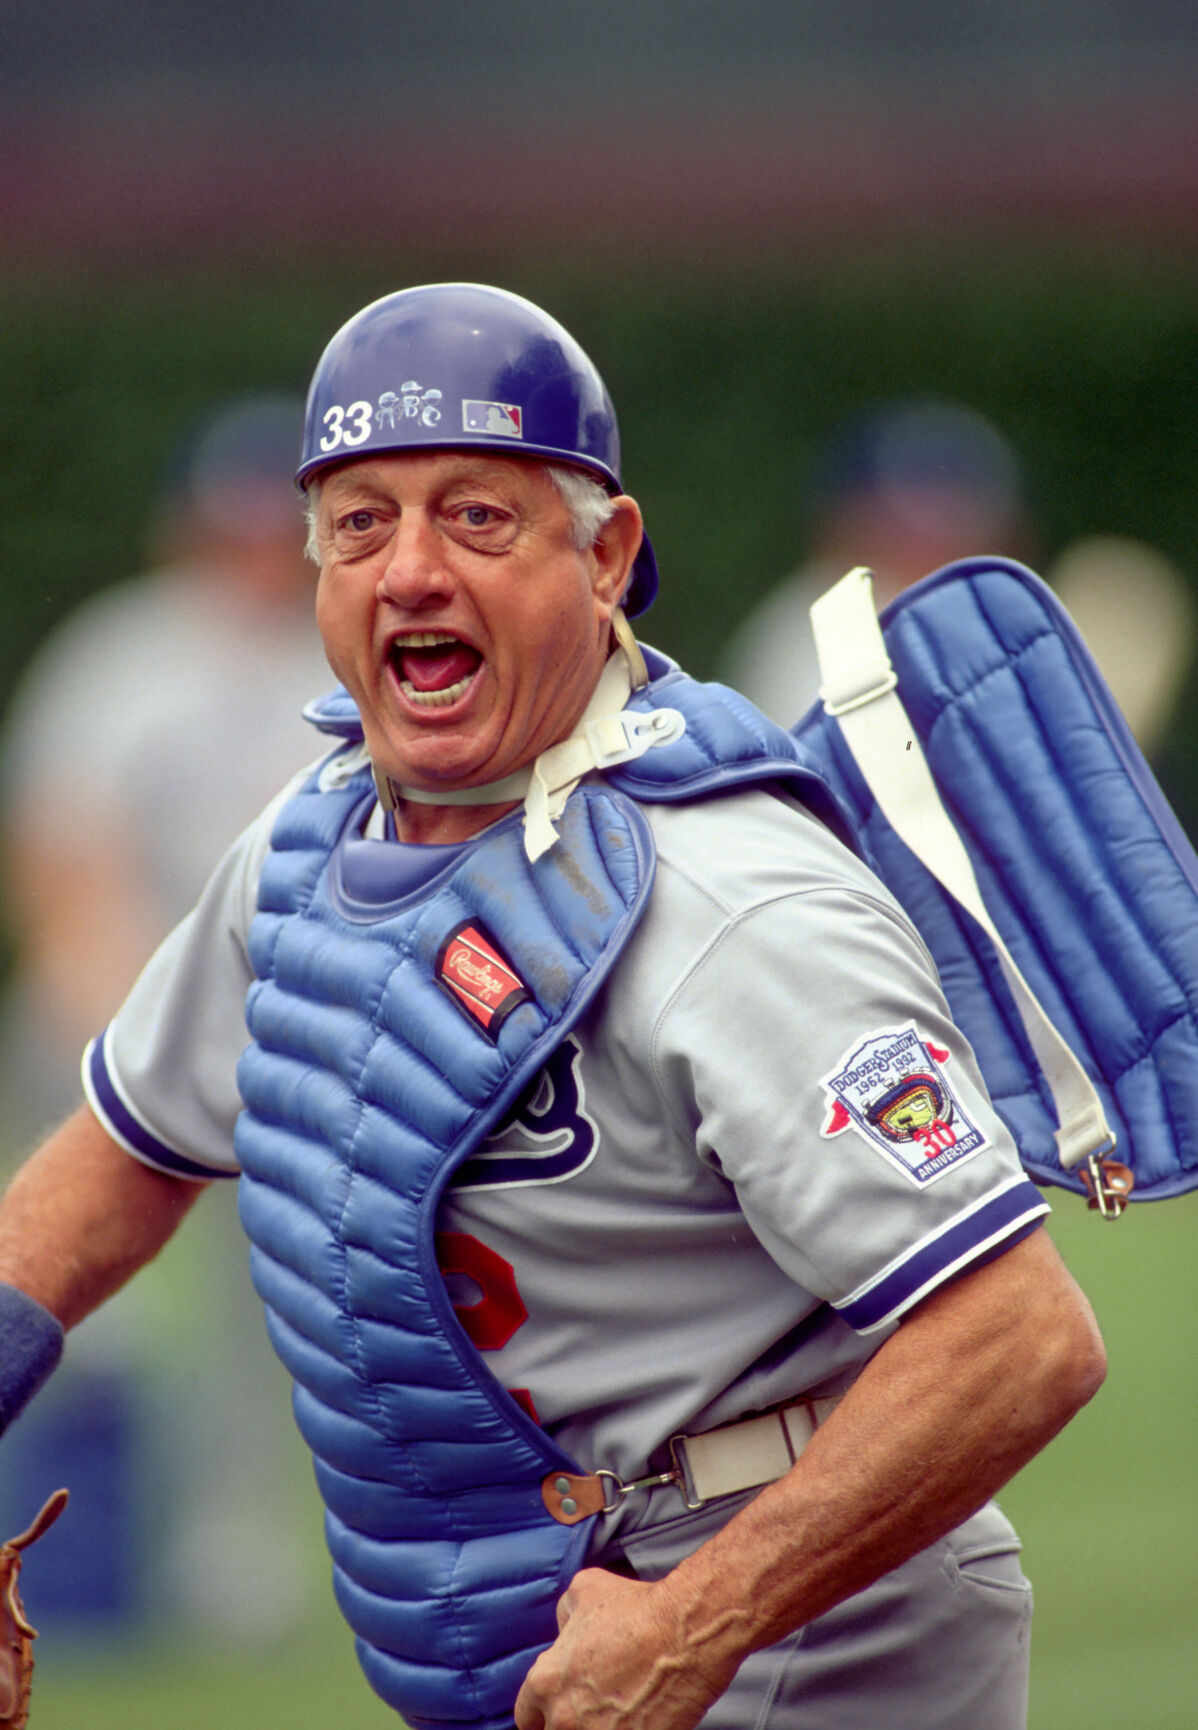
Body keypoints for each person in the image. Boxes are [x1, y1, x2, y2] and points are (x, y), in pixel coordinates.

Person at [0, 284, 1104, 1730]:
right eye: (360, 522)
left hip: (797, 1627)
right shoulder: (312, 843)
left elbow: (1017, 1336)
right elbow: (128, 1143)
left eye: (474, 517)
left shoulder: (730, 897)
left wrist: (698, 1619)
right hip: (536, 1610)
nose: (407, 571)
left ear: (607, 557)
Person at [0, 393, 332, 1636]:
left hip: (278, 1048)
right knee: (87, 1312)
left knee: (266, 1309)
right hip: (103, 1032)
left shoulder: (331, 663)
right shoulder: (125, 654)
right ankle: (64, 1556)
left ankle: (222, 1555)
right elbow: (61, 864)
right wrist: (139, 1043)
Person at [721, 398, 1031, 726]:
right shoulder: (815, 636)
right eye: (906, 527)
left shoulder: (986, 618)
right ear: (848, 521)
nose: (933, 546)